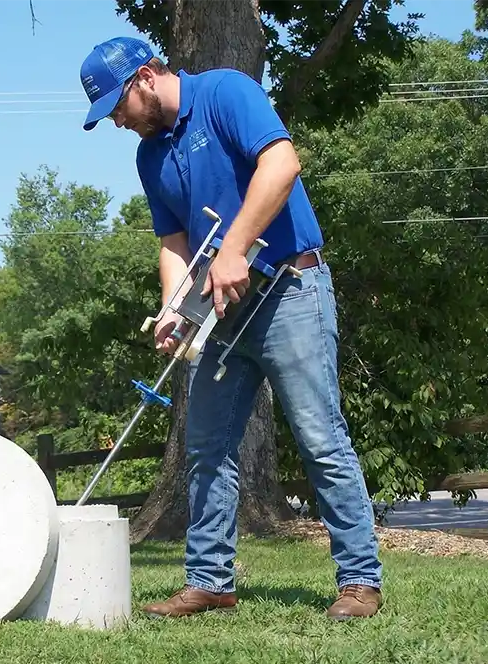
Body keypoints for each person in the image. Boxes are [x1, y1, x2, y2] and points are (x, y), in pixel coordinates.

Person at [79, 36, 384, 621]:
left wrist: (235, 247)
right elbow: (174, 241)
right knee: (207, 447)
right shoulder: (149, 156)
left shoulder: (225, 92)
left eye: (118, 104)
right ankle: (210, 582)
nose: (117, 120)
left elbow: (282, 163)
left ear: (145, 76)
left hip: (290, 290)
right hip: (221, 311)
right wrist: (174, 309)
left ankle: (359, 582)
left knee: (320, 437)